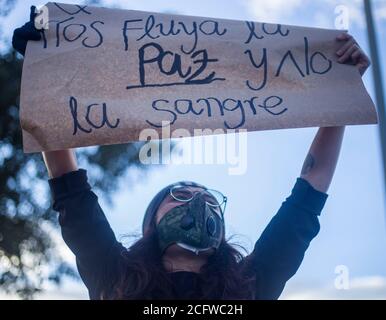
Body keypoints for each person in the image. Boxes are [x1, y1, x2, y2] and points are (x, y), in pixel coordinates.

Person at [12, 6, 371, 300]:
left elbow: (309, 194)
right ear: (150, 222)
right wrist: (45, 70)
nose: (198, 203)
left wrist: (340, 92)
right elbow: (70, 190)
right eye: (181, 194)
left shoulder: (252, 283)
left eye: (210, 200)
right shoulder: (114, 275)